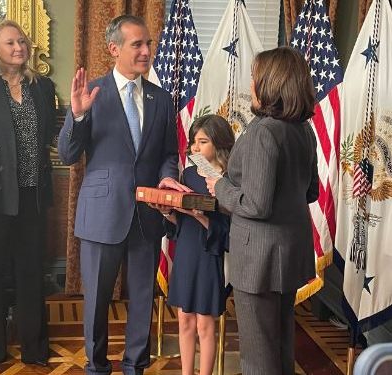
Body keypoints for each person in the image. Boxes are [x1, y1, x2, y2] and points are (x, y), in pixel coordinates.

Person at [58, 14, 187, 375]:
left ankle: (136, 367)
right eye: (138, 44)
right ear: (114, 49)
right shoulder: (91, 94)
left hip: (148, 214)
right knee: (97, 301)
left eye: (148, 43)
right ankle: (97, 367)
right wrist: (78, 116)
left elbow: (167, 153)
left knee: (143, 300)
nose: (147, 50)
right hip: (102, 214)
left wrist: (166, 179)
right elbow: (68, 155)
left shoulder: (161, 99)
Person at [206, 46, 319, 375]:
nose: (251, 84)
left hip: (259, 261)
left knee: (257, 356)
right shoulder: (303, 130)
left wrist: (220, 186)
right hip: (287, 255)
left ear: (271, 83)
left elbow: (255, 204)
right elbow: (309, 192)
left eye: (255, 77)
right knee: (280, 346)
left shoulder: (264, 132)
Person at [0, 20, 56, 368]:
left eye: (22, 41)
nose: (19, 47)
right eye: (10, 43)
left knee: (32, 273)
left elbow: (49, 137)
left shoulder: (42, 86)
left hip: (33, 196)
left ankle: (34, 349)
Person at [155, 114, 234, 375]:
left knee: (204, 325)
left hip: (209, 255)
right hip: (187, 252)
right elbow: (178, 224)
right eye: (193, 142)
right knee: (184, 320)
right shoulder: (188, 174)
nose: (195, 148)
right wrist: (167, 212)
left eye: (202, 142)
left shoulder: (228, 181)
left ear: (219, 143)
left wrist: (200, 216)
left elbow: (229, 232)